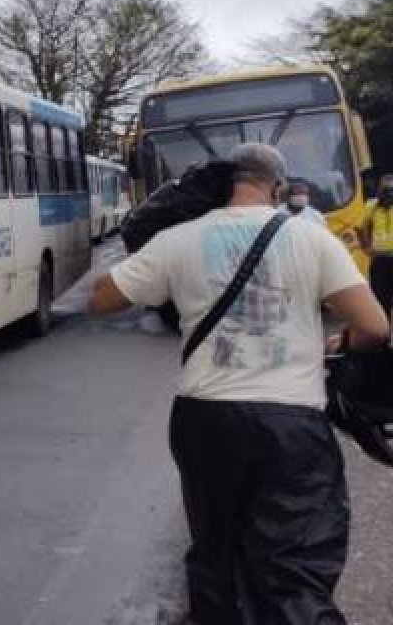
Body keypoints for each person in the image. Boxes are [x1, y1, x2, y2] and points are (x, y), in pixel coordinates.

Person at [89, 143, 390, 624]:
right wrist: (340, 340)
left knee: (217, 558)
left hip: (204, 417)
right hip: (291, 421)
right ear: (277, 187)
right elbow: (375, 325)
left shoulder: (180, 239)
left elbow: (102, 298)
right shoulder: (310, 238)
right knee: (295, 565)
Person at [360, 174, 393, 316]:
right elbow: (361, 228)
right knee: (381, 298)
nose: (389, 194)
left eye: (392, 190)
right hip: (379, 259)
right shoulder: (371, 206)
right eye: (386, 190)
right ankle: (385, 332)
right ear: (380, 191)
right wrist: (367, 247)